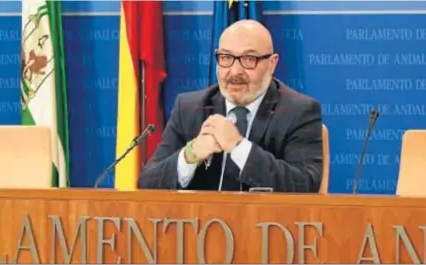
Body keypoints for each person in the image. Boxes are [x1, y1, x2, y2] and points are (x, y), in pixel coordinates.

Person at [138, 20, 323, 192]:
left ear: (272, 63)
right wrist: (190, 154)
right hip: (200, 224)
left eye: (249, 59)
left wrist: (238, 146)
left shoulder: (299, 111)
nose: (234, 72)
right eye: (226, 58)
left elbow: (305, 186)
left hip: (266, 225)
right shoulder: (188, 108)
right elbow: (147, 183)